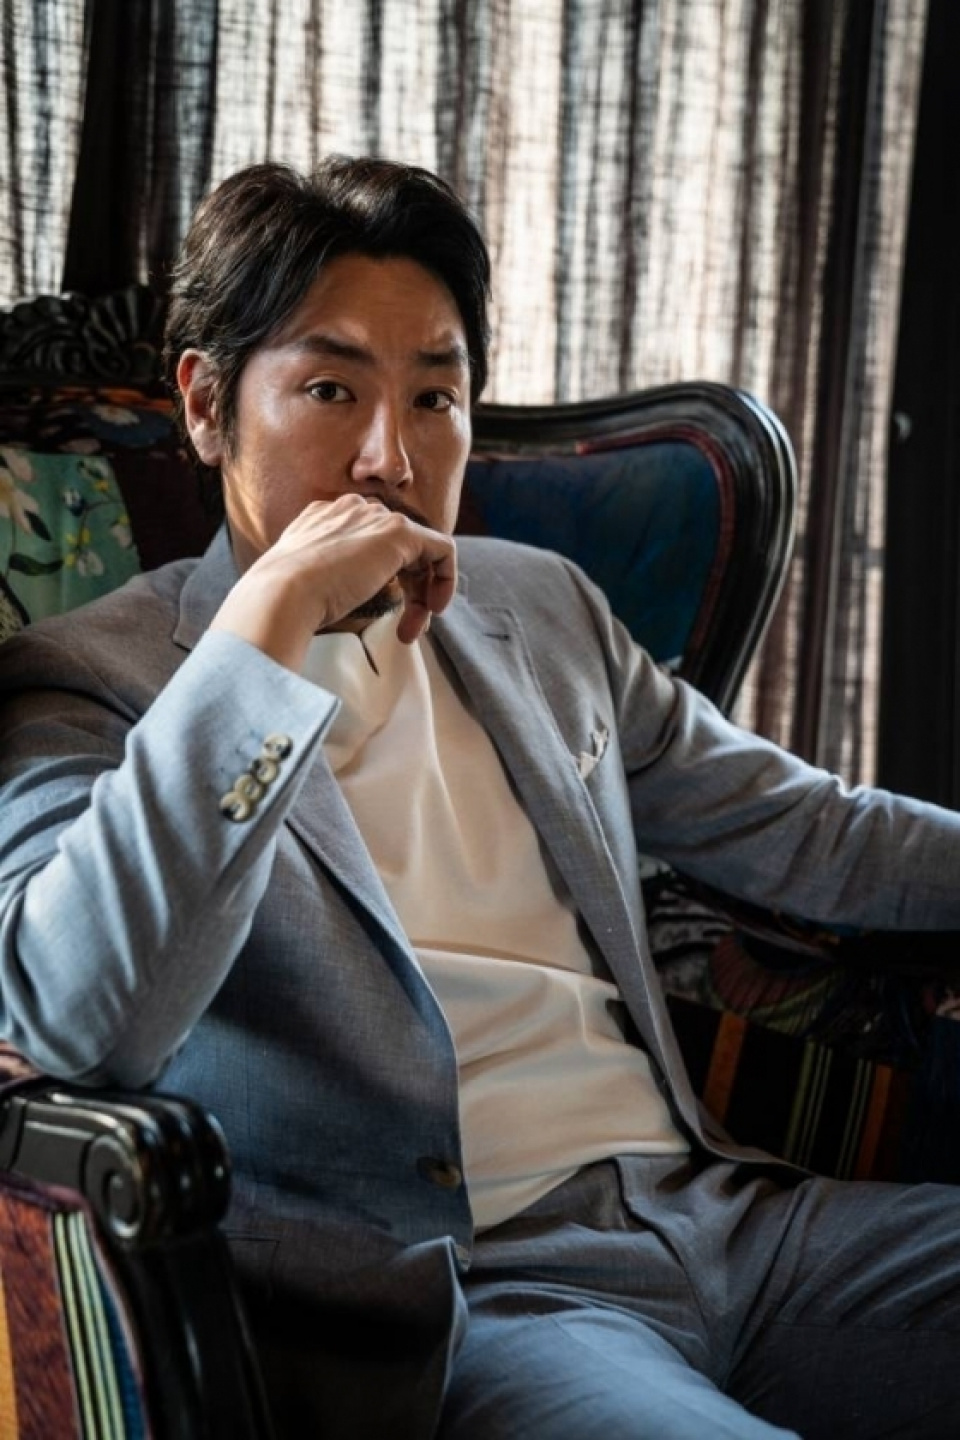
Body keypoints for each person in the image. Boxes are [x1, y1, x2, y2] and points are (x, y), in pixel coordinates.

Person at [1, 157, 960, 1440]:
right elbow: (72, 1018)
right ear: (209, 407)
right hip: (475, 1296)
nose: (390, 459)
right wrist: (265, 629)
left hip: (732, 1222)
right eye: (332, 389)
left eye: (435, 398)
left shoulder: (538, 607)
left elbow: (811, 830)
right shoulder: (88, 676)